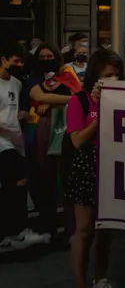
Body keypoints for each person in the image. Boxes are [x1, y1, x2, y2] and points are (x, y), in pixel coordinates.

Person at [66, 49, 122, 288]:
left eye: (117, 75)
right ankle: (80, 282)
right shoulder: (79, 100)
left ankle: (101, 277)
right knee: (85, 229)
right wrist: (102, 112)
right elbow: (78, 140)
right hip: (87, 165)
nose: (114, 79)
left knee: (105, 230)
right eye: (108, 75)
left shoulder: (123, 99)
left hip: (113, 163)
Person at [29, 42, 80, 243]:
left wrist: (48, 101)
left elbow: (76, 96)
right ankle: (49, 226)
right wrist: (53, 99)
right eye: (42, 57)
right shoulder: (34, 77)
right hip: (43, 129)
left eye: (50, 56)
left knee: (67, 178)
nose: (46, 60)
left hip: (65, 128)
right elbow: (34, 95)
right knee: (45, 177)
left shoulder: (67, 74)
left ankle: (71, 228)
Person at [0, 42, 48, 252]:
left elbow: (18, 109)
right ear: (3, 59)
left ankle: (11, 232)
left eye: (21, 61)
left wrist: (24, 115)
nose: (18, 65)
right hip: (2, 142)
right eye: (15, 61)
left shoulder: (17, 84)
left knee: (15, 183)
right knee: (18, 177)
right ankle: (16, 230)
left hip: (15, 140)